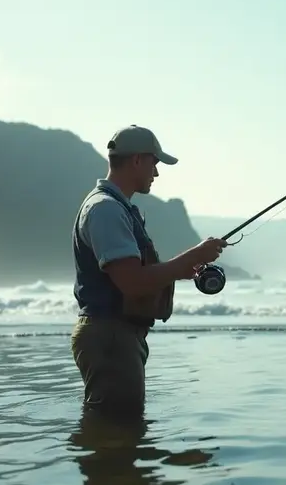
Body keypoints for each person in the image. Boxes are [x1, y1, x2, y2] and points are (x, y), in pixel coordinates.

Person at [70, 124, 227, 419]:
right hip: (111, 335)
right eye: (154, 163)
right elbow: (132, 283)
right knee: (118, 430)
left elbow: (134, 274)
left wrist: (183, 268)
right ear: (138, 160)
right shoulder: (105, 209)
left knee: (115, 431)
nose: (156, 173)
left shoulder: (117, 208)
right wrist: (193, 256)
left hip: (116, 335)